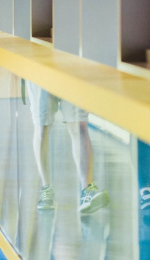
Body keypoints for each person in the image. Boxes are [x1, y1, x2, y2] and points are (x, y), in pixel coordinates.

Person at [27, 82, 109, 214]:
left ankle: (87, 190)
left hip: (70, 68)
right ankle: (46, 188)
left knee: (79, 125)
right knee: (42, 128)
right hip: (40, 71)